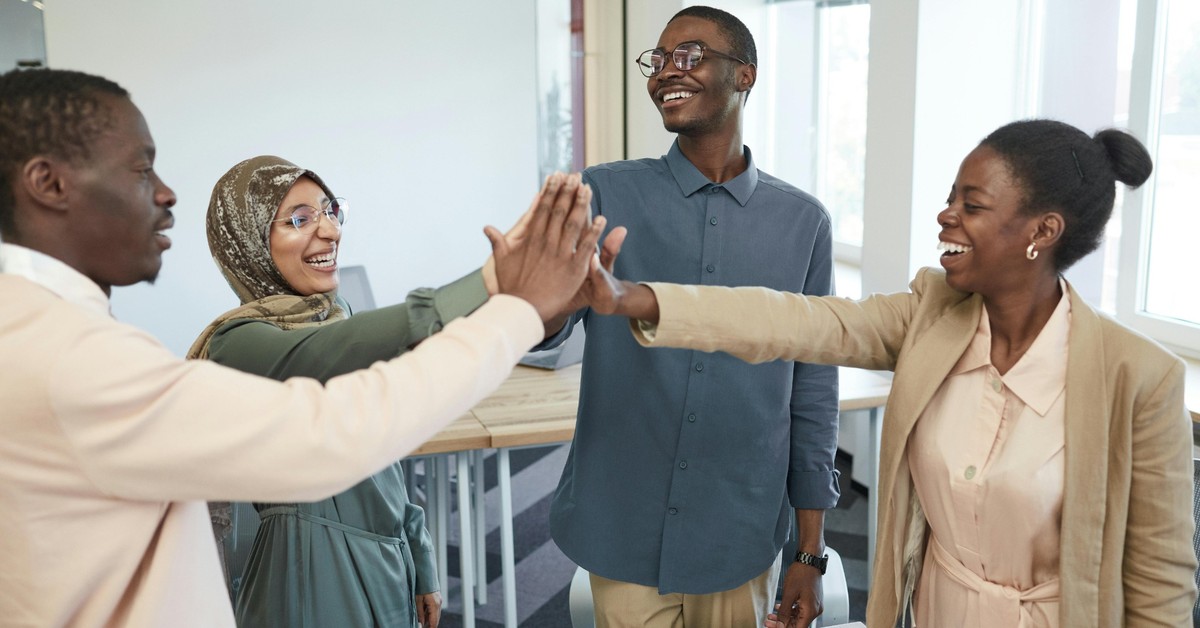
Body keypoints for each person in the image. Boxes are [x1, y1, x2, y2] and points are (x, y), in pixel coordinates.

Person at [0, 67, 604, 627]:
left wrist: (417, 554)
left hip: (381, 560)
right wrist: (507, 297)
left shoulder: (48, 332)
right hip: (314, 573)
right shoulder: (107, 355)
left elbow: (388, 466)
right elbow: (337, 430)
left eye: (330, 211)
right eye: (140, 170)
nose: (166, 194)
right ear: (48, 184)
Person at [589, 119, 1197, 627]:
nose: (945, 216)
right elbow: (792, 320)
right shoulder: (932, 314)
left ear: (1043, 231)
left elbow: (1159, 586)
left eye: (971, 205)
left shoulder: (1140, 379)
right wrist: (632, 298)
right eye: (950, 197)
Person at [541, 6, 839, 626]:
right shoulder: (603, 192)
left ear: (746, 75)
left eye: (691, 55)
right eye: (658, 59)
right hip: (621, 518)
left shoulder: (803, 223)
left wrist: (808, 551)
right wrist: (549, 298)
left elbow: (813, 391)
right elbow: (548, 330)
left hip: (739, 529)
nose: (665, 72)